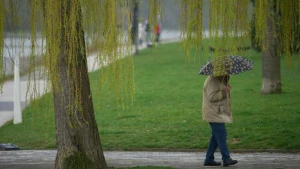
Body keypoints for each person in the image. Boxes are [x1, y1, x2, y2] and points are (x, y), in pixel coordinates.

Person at [202, 74, 238, 167]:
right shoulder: (212, 80)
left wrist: (226, 84)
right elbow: (212, 97)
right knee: (221, 134)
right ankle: (226, 158)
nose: (227, 72)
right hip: (214, 113)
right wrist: (225, 91)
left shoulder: (220, 79)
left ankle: (209, 159)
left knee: (216, 136)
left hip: (218, 112)